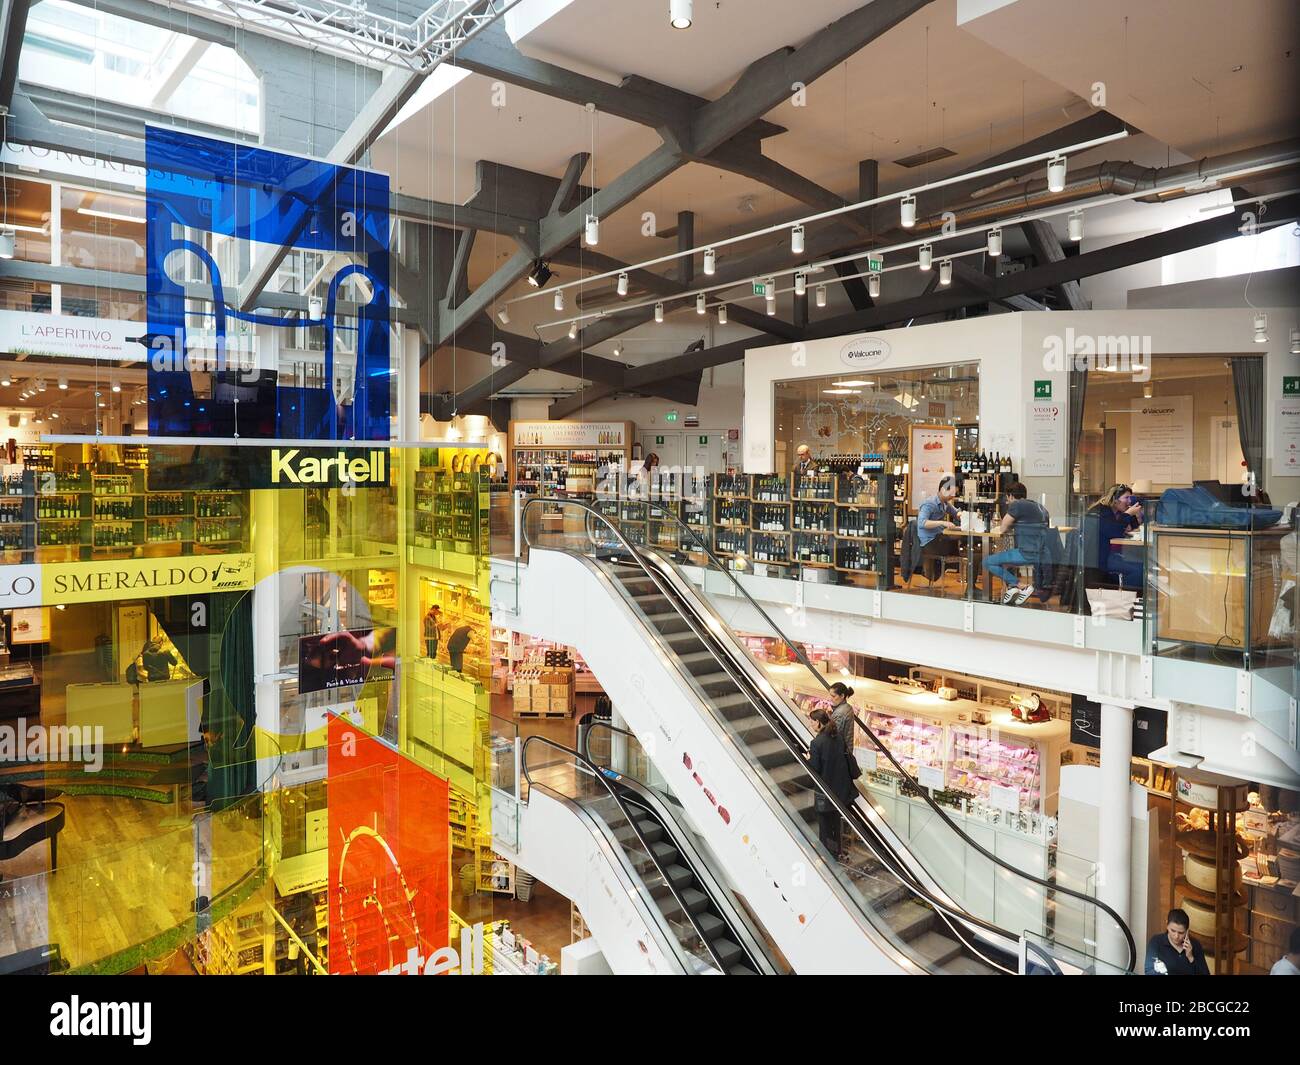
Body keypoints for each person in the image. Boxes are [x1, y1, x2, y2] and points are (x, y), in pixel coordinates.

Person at [982, 481, 1051, 605]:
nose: (1007, 501)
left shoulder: (1017, 505)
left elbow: (1003, 528)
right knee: (1004, 561)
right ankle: (1012, 587)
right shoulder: (1039, 506)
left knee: (987, 561)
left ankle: (1021, 586)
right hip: (1043, 554)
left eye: (1007, 498)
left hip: (1026, 553)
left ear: (1011, 496)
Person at [808, 708, 856, 860]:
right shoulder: (838, 737)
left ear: (818, 722)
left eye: (811, 721)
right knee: (835, 823)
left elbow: (815, 767)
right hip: (841, 791)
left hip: (825, 791)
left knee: (825, 826)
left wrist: (808, 758)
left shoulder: (816, 743)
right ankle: (836, 852)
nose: (810, 724)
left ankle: (827, 856)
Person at [1086, 484, 1145, 590]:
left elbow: (1133, 527)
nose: (1129, 501)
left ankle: (1129, 597)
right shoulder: (1101, 511)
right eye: (1126, 498)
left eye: (1130, 498)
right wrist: (1127, 514)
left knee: (1143, 563)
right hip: (1099, 557)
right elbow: (1114, 531)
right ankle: (1127, 599)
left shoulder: (1117, 511)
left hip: (1115, 553)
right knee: (1139, 570)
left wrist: (1135, 515)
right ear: (1115, 499)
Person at [916, 473, 963, 571]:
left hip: (938, 538)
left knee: (962, 541)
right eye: (951, 493)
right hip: (930, 542)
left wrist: (965, 516)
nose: (953, 496)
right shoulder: (929, 503)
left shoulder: (944, 503)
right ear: (943, 490)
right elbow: (922, 523)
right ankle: (963, 571)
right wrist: (943, 523)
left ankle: (960, 570)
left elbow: (956, 513)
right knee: (964, 545)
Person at [1144, 908, 1211, 975]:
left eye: (1181, 933)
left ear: (1187, 931)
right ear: (1167, 924)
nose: (1176, 936)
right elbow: (1149, 971)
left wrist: (1191, 958)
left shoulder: (1195, 945)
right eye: (1173, 931)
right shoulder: (1156, 942)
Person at [827, 681, 855, 759]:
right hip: (846, 751)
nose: (830, 699)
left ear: (842, 696)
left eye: (833, 696)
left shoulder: (839, 714)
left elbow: (833, 734)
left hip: (838, 754)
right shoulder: (848, 707)